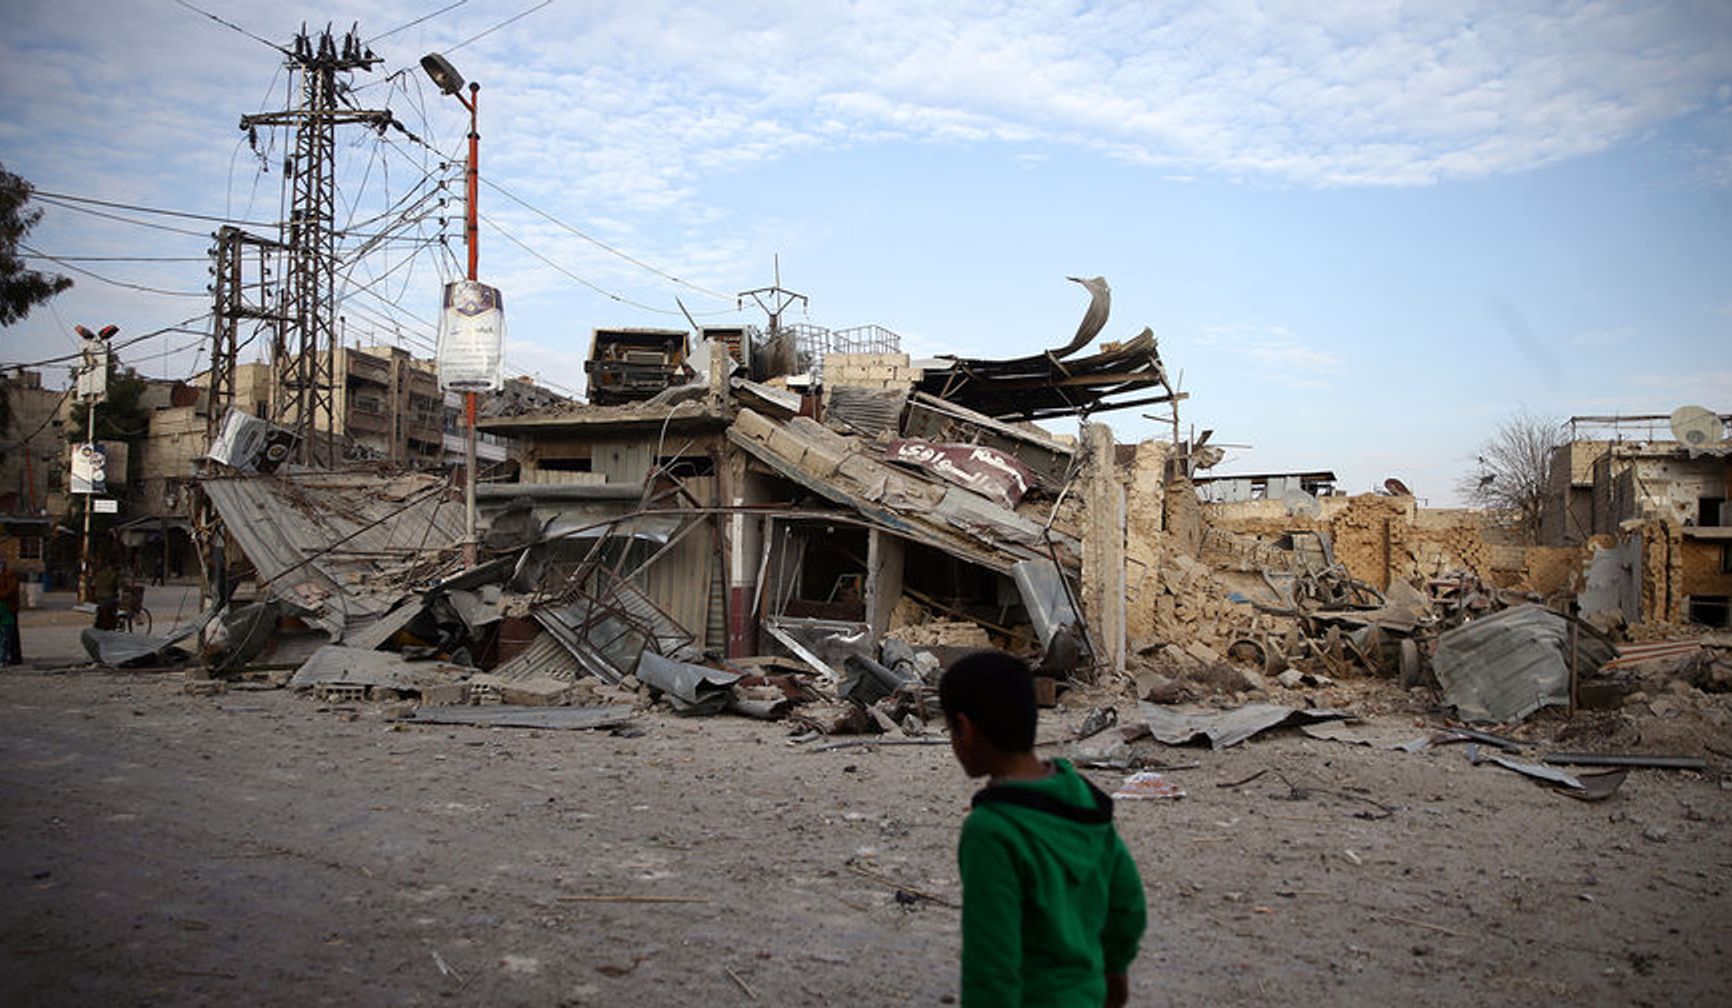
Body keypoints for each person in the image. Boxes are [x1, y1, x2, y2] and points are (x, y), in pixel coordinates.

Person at [940, 650, 1146, 1007]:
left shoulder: (992, 830)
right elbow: (1127, 904)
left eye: (950, 730)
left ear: (966, 729)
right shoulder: (1084, 800)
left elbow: (991, 963)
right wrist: (1115, 972)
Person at [0, 558, 20, 665]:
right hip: (3, 607)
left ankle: (14, 656)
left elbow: (11, 590)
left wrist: (1, 594)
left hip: (9, 607)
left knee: (10, 633)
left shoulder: (10, 574)